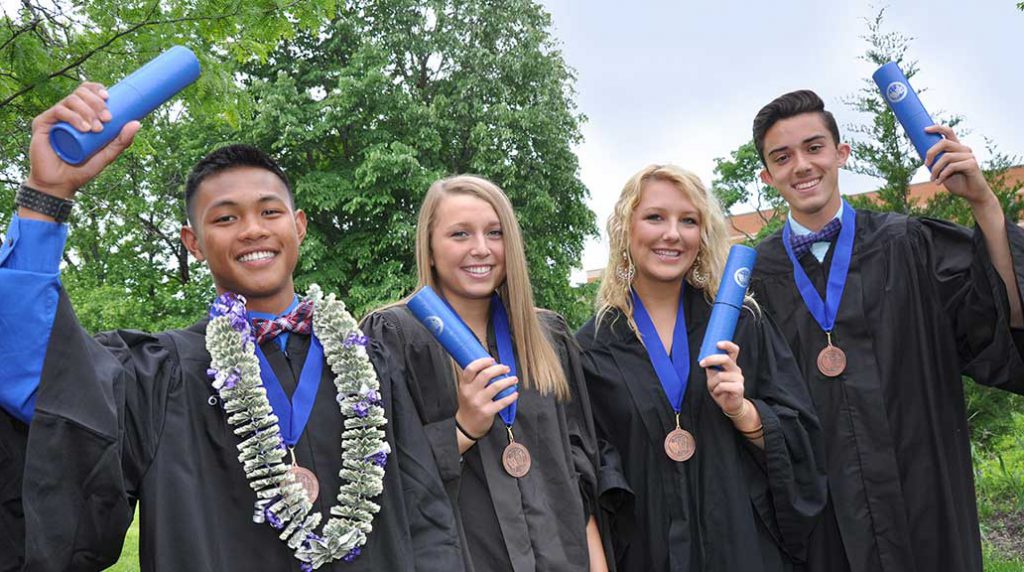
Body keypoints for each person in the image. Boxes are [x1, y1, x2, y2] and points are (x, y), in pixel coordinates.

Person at [0, 82, 463, 570]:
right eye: (225, 219)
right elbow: (43, 381)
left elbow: (426, 517)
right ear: (193, 242)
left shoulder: (370, 364)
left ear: (299, 226)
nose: (253, 230)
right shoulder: (160, 375)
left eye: (270, 211)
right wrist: (47, 195)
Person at [748, 89, 1024, 572]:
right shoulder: (753, 279)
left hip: (925, 501)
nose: (802, 166)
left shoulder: (907, 243)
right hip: (822, 519)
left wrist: (982, 200)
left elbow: (1002, 314)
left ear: (841, 153)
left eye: (814, 148)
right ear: (768, 176)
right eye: (783, 157)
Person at [576, 164, 826, 571]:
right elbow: (590, 475)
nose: (672, 234)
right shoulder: (591, 349)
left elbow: (803, 444)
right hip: (647, 555)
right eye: (655, 217)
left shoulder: (740, 325)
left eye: (688, 221)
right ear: (625, 229)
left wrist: (744, 412)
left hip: (742, 550)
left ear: (703, 234)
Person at [361, 175, 617, 572]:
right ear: (430, 248)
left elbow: (578, 472)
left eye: (495, 233)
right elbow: (381, 480)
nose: (481, 248)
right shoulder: (393, 338)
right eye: (460, 234)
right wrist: (462, 429)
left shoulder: (546, 336)